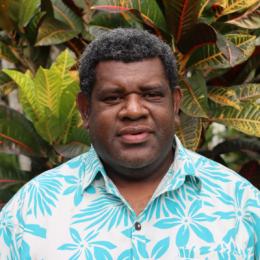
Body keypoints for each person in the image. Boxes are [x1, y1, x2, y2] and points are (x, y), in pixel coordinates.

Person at [0, 28, 259, 259]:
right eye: (113, 97)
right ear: (85, 110)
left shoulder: (242, 205)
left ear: (176, 103)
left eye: (151, 95)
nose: (134, 110)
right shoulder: (27, 213)